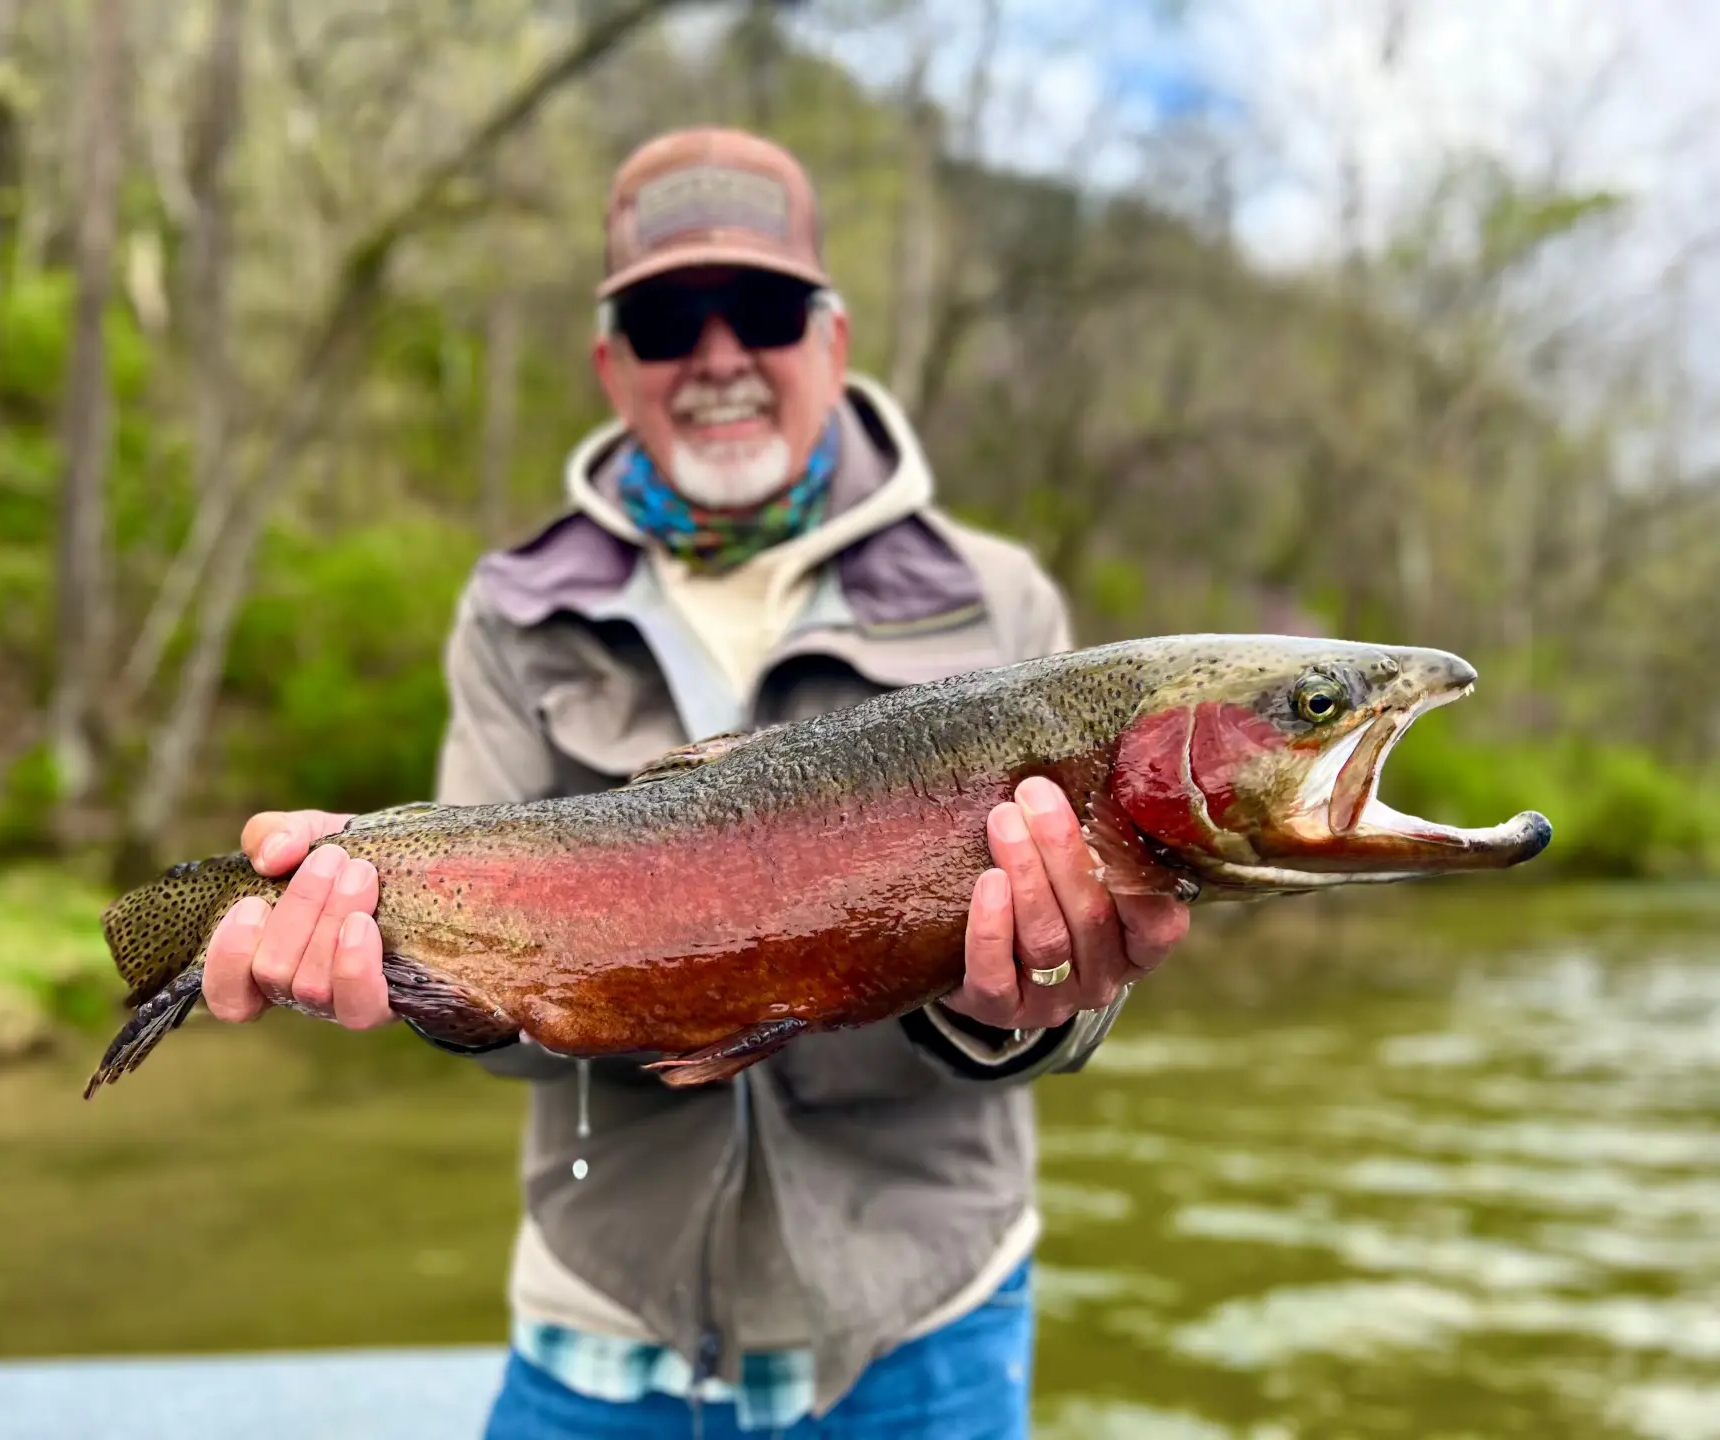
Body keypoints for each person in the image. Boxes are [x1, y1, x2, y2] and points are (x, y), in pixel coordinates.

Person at [199, 127, 1190, 1439]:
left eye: (763, 311)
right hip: (598, 1331)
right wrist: (411, 974)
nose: (718, 355)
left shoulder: (996, 599)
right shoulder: (515, 612)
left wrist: (1023, 1004)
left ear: (831, 341)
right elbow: (509, 1047)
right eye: (668, 320)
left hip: (922, 1331)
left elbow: (1070, 1012)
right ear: (614, 368)